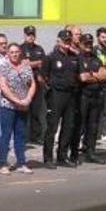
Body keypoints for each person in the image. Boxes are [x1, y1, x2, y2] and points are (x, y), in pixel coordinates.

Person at [42, 29, 81, 169]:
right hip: (56, 95)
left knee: (68, 126)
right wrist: (49, 91)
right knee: (52, 127)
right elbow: (43, 76)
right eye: (65, 41)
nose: (67, 44)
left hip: (71, 95)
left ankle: (62, 156)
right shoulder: (51, 57)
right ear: (58, 41)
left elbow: (78, 74)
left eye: (69, 41)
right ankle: (47, 158)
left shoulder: (74, 57)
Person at [0, 43, 35, 175]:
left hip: (23, 105)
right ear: (8, 53)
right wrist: (16, 100)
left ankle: (21, 162)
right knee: (6, 134)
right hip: (8, 105)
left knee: (20, 134)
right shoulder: (3, 67)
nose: (14, 54)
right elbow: (3, 86)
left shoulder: (26, 66)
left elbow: (32, 83)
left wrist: (28, 99)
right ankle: (2, 163)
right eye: (12, 52)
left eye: (17, 52)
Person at [73, 34, 106, 165]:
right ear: (80, 44)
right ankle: (74, 154)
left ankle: (90, 153)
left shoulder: (96, 59)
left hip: (96, 96)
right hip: (83, 96)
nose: (88, 45)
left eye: (90, 43)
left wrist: (92, 75)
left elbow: (105, 75)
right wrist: (96, 75)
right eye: (85, 43)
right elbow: (82, 78)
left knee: (93, 126)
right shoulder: (78, 58)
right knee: (79, 126)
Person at [20, 26, 47, 144]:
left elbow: (44, 63)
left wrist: (32, 63)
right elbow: (22, 65)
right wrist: (37, 63)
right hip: (24, 83)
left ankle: (36, 136)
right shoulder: (20, 49)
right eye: (28, 34)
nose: (31, 36)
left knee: (36, 110)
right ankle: (23, 136)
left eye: (32, 34)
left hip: (38, 83)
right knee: (24, 109)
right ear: (25, 35)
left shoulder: (39, 49)